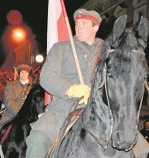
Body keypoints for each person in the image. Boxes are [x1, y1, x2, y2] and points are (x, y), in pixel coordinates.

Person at [26, 8, 103, 158]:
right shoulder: (61, 48)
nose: (79, 27)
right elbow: (47, 76)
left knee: (138, 145)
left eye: (84, 24)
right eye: (77, 23)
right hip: (62, 110)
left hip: (99, 111)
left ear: (96, 27)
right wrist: (72, 89)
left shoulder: (106, 50)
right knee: (38, 139)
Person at [0, 64, 32, 156]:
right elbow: (9, 101)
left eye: (26, 72)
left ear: (28, 74)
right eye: (22, 72)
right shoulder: (11, 85)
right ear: (19, 74)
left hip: (30, 115)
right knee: (0, 126)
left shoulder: (33, 86)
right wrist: (20, 113)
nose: (24, 74)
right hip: (13, 114)